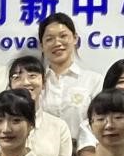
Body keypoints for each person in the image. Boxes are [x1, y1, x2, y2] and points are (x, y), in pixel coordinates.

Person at [38, 12, 103, 140]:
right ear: (42, 46)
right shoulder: (36, 83)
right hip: (43, 151)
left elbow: (101, 121)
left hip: (84, 150)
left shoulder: (93, 81)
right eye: (49, 39)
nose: (57, 43)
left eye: (63, 36)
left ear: (75, 38)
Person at [6, 55, 72, 156]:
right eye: (17, 77)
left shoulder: (59, 127)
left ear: (44, 83)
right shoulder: (1, 126)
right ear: (10, 86)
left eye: (32, 76)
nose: (25, 82)